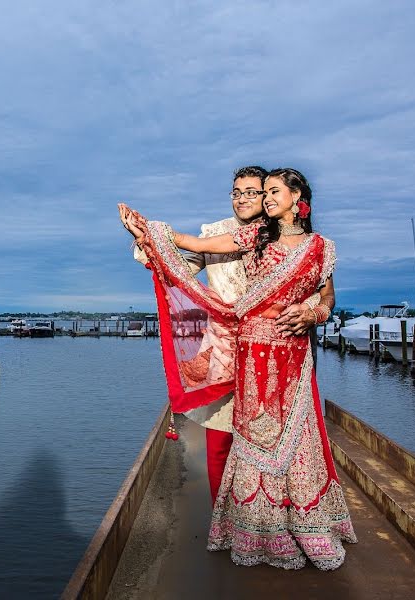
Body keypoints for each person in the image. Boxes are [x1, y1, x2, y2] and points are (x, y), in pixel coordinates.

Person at [119, 168, 356, 570]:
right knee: (238, 438)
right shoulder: (245, 235)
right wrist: (147, 229)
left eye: (265, 191)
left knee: (296, 441)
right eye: (246, 192)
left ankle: (300, 523)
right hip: (240, 350)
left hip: (293, 353)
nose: (256, 198)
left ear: (295, 196)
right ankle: (245, 527)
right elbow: (184, 250)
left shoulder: (315, 245)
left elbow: (326, 295)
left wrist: (313, 313)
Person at [132, 166, 283, 507]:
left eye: (251, 192)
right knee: (220, 437)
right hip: (225, 348)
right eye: (236, 192)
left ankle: (263, 520)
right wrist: (147, 240)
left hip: (273, 349)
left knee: (267, 438)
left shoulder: (281, 236)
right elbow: (181, 271)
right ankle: (223, 518)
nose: (242, 199)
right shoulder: (214, 233)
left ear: (269, 195)